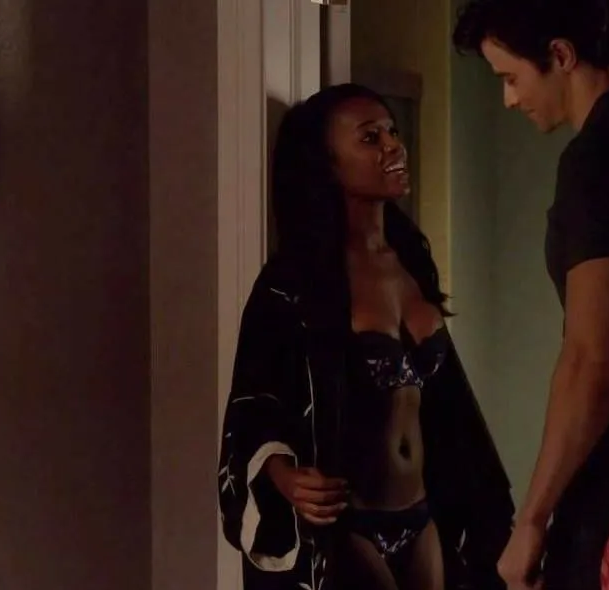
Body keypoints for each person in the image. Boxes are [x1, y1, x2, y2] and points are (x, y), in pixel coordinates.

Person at [218, 83, 515, 590]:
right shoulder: (291, 283)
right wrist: (284, 476)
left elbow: (450, 411)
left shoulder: (411, 263)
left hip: (423, 517)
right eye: (370, 137)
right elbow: (252, 403)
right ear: (328, 164)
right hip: (349, 522)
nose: (394, 146)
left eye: (393, 132)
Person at [452, 1, 609, 589]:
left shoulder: (601, 156)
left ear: (561, 55)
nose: (508, 99)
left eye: (511, 78)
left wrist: (531, 521)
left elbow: (594, 357)